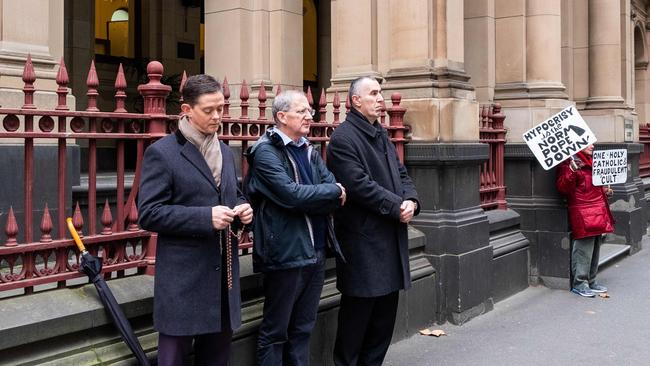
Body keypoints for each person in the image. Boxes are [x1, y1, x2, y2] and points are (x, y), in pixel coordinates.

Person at [138, 74, 253, 366]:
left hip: (222, 280)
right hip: (183, 282)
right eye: (209, 110)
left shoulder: (225, 152)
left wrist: (242, 211)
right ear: (186, 110)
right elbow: (149, 212)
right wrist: (205, 217)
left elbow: (233, 194)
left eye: (220, 108)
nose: (218, 116)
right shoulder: (162, 153)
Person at [246, 90, 347, 366]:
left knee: (303, 329)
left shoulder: (308, 149)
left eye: (309, 111)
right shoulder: (265, 151)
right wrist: (325, 193)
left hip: (315, 250)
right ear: (281, 116)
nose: (309, 116)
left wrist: (321, 193)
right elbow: (292, 196)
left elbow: (336, 190)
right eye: (302, 111)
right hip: (285, 253)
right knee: (276, 331)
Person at [326, 76, 420, 366]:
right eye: (374, 93)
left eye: (381, 93)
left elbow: (401, 174)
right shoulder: (343, 138)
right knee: (356, 325)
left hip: (389, 240)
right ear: (356, 101)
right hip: (363, 244)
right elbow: (358, 185)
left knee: (382, 324)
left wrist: (412, 202)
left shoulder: (380, 133)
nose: (381, 99)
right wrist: (396, 207)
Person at [556, 144, 614, 298]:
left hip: (597, 208)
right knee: (583, 249)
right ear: (577, 145)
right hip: (583, 210)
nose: (593, 145)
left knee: (595, 246)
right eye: (588, 143)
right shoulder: (569, 162)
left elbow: (591, 186)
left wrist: (605, 190)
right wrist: (572, 169)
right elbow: (563, 187)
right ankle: (580, 283)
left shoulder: (592, 160)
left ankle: (591, 280)